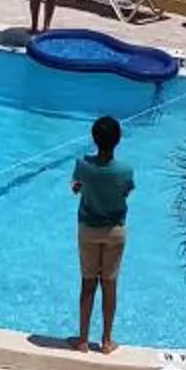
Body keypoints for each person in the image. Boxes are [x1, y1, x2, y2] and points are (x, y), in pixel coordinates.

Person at [70, 115, 132, 353]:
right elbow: (125, 193)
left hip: (88, 229)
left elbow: (77, 187)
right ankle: (106, 341)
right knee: (109, 284)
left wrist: (80, 187)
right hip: (114, 231)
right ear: (118, 140)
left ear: (94, 138)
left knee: (87, 284)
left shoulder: (83, 164)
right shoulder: (125, 170)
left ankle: (83, 340)